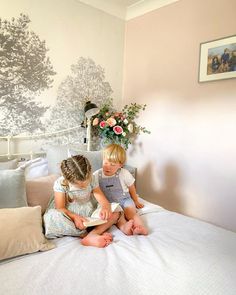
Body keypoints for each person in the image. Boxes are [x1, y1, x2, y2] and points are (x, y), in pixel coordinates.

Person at [43, 155, 120, 248]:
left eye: (86, 183)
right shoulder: (61, 183)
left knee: (116, 211)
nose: (84, 186)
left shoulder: (92, 178)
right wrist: (74, 217)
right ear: (68, 180)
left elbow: (99, 195)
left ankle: (92, 234)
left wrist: (105, 206)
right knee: (52, 218)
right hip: (69, 214)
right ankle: (84, 234)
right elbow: (60, 208)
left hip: (89, 209)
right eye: (79, 185)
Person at [94, 143, 148, 235]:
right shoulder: (96, 175)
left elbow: (131, 187)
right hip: (110, 203)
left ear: (120, 165)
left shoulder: (124, 173)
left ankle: (141, 227)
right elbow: (94, 190)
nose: (108, 167)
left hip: (124, 200)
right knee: (118, 217)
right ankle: (125, 228)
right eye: (105, 163)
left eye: (112, 164)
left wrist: (135, 200)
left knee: (130, 213)